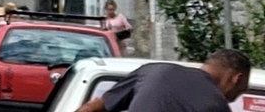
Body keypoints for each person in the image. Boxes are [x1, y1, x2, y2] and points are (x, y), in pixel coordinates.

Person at [76, 48, 251, 112]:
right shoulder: (216, 106)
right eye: (240, 91)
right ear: (237, 79)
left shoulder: (154, 71)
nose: (233, 99)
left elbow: (92, 108)